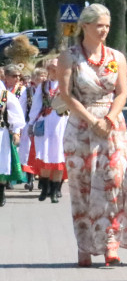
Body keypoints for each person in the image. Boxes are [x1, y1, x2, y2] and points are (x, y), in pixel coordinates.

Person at [58, 4, 127, 267]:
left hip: (112, 126)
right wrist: (91, 120)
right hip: (81, 128)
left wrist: (107, 119)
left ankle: (111, 243)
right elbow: (66, 95)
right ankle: (84, 245)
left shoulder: (116, 56)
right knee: (82, 187)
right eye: (99, 25)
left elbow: (122, 93)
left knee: (113, 184)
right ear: (85, 26)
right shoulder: (69, 57)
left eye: (107, 25)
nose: (104, 30)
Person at [28, 57, 70, 203]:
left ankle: (54, 190)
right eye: (51, 68)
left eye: (56, 68)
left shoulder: (67, 84)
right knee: (45, 155)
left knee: (59, 156)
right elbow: (36, 105)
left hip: (62, 123)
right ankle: (44, 188)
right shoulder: (44, 85)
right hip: (45, 123)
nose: (53, 71)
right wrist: (31, 123)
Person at [0, 70, 26, 205]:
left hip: (1, 133)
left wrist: (16, 132)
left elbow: (15, 114)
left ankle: (1, 192)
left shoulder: (5, 95)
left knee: (2, 164)